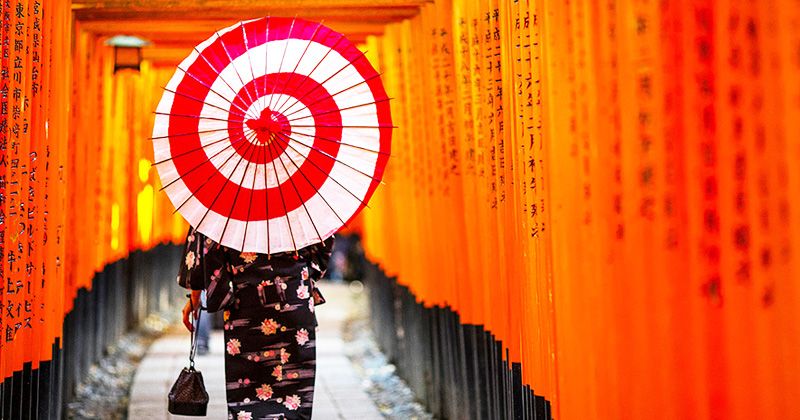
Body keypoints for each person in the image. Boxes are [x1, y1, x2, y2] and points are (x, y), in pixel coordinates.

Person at [177, 226, 333, 420]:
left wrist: (195, 295)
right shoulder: (295, 203)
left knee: (248, 391)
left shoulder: (227, 203)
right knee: (294, 390)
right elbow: (323, 241)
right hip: (293, 297)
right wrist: (300, 271)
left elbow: (205, 245)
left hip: (247, 303)